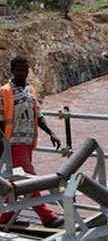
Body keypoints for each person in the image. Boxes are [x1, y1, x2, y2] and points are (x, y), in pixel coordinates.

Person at [0, 56, 64, 228]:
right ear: (12, 70)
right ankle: (47, 217)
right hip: (12, 143)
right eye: (19, 70)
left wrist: (51, 133)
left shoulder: (31, 91)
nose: (22, 73)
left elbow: (38, 116)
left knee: (15, 182)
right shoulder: (4, 92)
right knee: (30, 180)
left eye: (25, 70)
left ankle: (5, 217)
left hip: (28, 143)